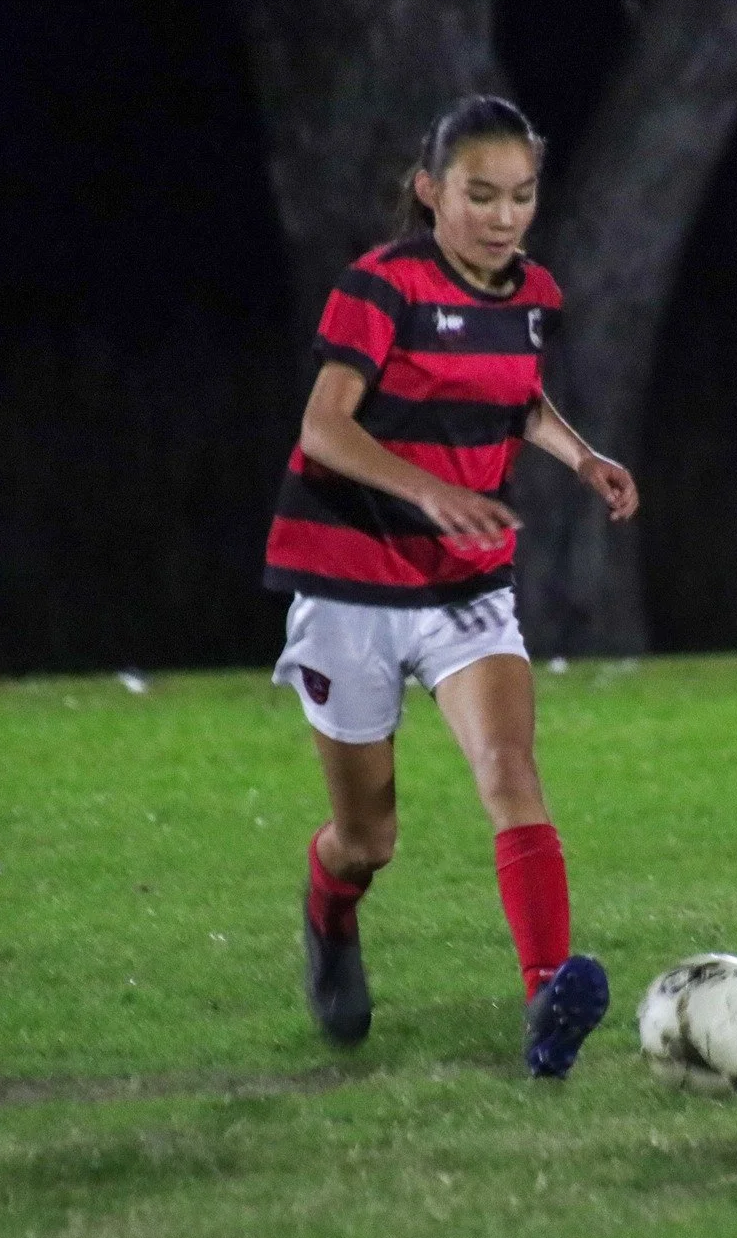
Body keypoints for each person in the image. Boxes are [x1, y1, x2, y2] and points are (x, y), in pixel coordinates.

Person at [263, 95, 639, 1078]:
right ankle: (327, 911)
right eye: (480, 195)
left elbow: (512, 393)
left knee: (510, 771)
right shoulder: (378, 287)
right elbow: (323, 429)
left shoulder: (529, 295)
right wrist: (430, 491)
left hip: (466, 584)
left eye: (520, 195)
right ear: (430, 192)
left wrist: (578, 454)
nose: (504, 216)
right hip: (350, 581)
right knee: (366, 838)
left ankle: (548, 995)